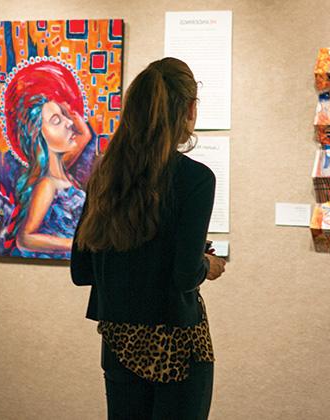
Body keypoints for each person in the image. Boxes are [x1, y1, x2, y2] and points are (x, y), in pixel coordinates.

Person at [70, 57, 227, 420]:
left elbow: (81, 269)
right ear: (190, 109)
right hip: (176, 348)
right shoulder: (196, 179)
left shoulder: (105, 176)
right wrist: (208, 264)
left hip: (119, 344)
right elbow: (185, 275)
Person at [2, 60, 95, 258]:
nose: (69, 123)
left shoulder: (61, 172)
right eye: (56, 121)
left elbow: (84, 135)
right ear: (39, 136)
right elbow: (24, 238)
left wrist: (66, 109)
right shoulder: (47, 184)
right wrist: (76, 244)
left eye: (65, 116)